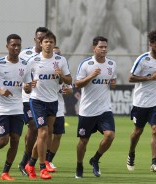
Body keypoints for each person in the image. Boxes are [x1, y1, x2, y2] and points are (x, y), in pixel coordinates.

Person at [24, 31, 72, 180]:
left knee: (45, 135)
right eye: (46, 42)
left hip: (53, 101)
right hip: (37, 100)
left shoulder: (61, 61)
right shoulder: (33, 61)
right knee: (43, 133)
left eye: (51, 42)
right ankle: (42, 167)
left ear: (54, 44)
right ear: (41, 43)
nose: (49, 44)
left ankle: (30, 163)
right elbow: (25, 86)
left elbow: (69, 80)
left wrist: (61, 76)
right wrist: (28, 86)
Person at [0, 34, 32, 181]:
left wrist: (27, 87)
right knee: (4, 140)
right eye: (13, 45)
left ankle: (5, 172)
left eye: (19, 45)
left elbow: (28, 89)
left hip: (17, 108)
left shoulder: (25, 65)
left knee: (15, 140)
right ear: (7, 46)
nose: (16, 47)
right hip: (2, 109)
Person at [126, 30, 156, 172]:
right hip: (141, 102)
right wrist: (150, 78)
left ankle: (154, 163)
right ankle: (131, 152)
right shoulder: (143, 59)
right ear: (151, 45)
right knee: (138, 131)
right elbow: (130, 78)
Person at [74, 36, 117, 178]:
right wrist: (91, 76)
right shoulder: (86, 64)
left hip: (104, 109)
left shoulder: (111, 64)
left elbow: (113, 81)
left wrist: (113, 84)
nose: (104, 49)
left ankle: (95, 159)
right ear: (94, 48)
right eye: (101, 47)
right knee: (83, 141)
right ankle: (79, 165)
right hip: (87, 110)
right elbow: (77, 84)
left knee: (110, 135)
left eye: (105, 47)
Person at [17, 27, 49, 176]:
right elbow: (16, 72)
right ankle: (25, 161)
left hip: (45, 99)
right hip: (27, 98)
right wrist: (24, 84)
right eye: (39, 38)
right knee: (33, 127)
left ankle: (31, 161)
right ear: (35, 39)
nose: (41, 40)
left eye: (44, 38)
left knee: (45, 131)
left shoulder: (51, 56)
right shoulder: (25, 54)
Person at [45, 46, 73, 170]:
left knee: (57, 135)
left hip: (59, 106)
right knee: (44, 133)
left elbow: (70, 87)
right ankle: (37, 159)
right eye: (54, 53)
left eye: (58, 54)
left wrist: (68, 89)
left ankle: (49, 160)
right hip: (45, 104)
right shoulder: (43, 66)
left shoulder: (63, 68)